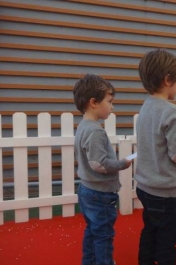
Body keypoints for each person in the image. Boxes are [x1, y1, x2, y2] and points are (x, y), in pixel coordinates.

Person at [135, 49, 176, 265]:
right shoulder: (172, 112)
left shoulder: (145, 107)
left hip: (144, 186)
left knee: (150, 229)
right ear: (168, 79)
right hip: (165, 191)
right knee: (168, 239)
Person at [73, 74, 133, 265]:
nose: (112, 106)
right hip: (100, 194)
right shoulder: (95, 131)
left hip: (86, 190)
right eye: (110, 101)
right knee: (104, 235)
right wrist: (122, 163)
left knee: (92, 230)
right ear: (93, 102)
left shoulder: (83, 126)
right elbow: (99, 164)